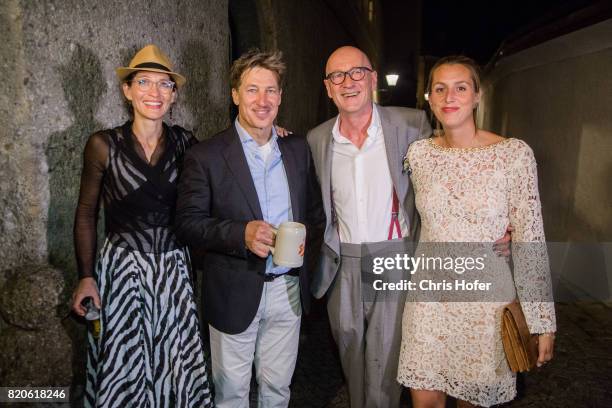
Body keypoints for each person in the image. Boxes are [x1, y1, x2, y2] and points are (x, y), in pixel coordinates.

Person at [396, 55, 556, 407]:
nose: (450, 97)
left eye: (460, 87)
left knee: (474, 402)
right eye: (440, 88)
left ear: (477, 95)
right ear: (429, 98)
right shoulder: (418, 155)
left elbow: (531, 238)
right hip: (429, 301)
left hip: (484, 303)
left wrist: (542, 320)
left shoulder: (513, 155)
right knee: (424, 400)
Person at [174, 49, 325, 408]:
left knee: (277, 391)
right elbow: (187, 224)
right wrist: (239, 234)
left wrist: (307, 258)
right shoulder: (206, 155)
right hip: (233, 290)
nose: (262, 100)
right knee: (231, 393)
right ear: (235, 95)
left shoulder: (297, 148)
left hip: (287, 291)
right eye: (252, 89)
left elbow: (315, 215)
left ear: (280, 96)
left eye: (271, 90)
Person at [71, 44, 213, 407]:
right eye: (144, 82)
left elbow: (228, 162)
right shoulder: (103, 145)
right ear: (127, 90)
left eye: (164, 85)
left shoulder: (186, 144)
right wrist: (86, 276)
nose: (154, 92)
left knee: (175, 364)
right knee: (124, 364)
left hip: (174, 272)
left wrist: (268, 130)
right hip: (121, 272)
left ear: (174, 95)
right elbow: (87, 212)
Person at [306, 45, 432, 407]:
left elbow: (444, 178)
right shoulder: (316, 139)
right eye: (337, 76)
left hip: (394, 255)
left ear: (373, 78)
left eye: (357, 72)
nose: (348, 82)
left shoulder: (411, 125)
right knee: (350, 353)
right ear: (328, 88)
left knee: (387, 356)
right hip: (341, 260)